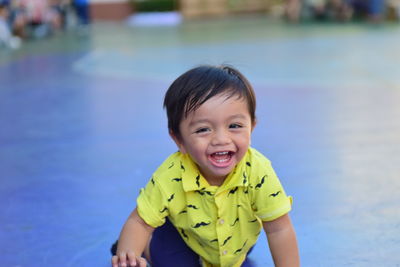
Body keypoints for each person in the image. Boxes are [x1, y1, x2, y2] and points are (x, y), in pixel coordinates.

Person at [111, 65, 300, 267]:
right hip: (183, 237)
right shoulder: (171, 174)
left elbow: (279, 229)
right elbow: (140, 221)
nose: (220, 139)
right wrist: (129, 255)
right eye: (203, 129)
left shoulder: (258, 171)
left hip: (235, 239)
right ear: (179, 140)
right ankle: (150, 246)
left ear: (251, 127)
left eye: (234, 126)